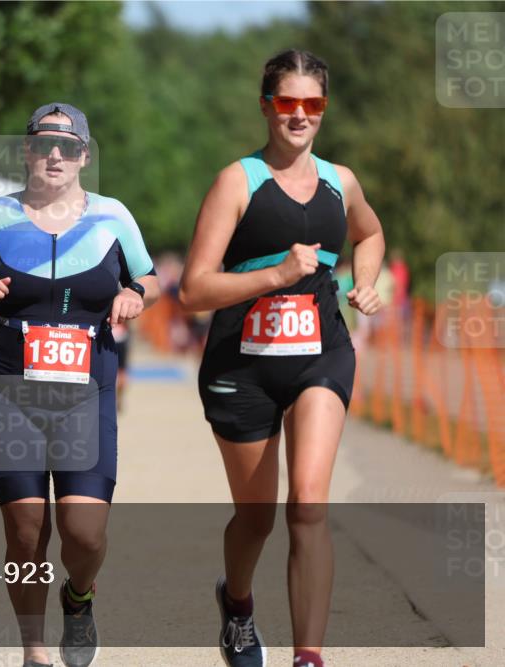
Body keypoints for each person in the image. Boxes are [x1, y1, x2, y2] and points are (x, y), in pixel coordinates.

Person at [179, 50, 385, 667]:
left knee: (308, 504)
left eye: (313, 105)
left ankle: (308, 655)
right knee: (257, 518)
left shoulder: (339, 181)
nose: (300, 116)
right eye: (287, 103)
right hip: (241, 366)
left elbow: (370, 233)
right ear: (266, 105)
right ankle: (237, 605)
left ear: (324, 110)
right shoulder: (236, 181)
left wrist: (365, 281)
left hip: (320, 352)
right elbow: (192, 291)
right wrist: (274, 274)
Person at [0, 102, 159, 667]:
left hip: (85, 388)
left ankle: (79, 598)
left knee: (83, 532)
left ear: (84, 155)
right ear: (27, 153)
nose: (54, 155)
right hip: (9, 386)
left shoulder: (114, 216)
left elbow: (149, 277)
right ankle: (33, 649)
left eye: (67, 146)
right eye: (43, 145)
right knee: (25, 530)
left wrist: (135, 294)